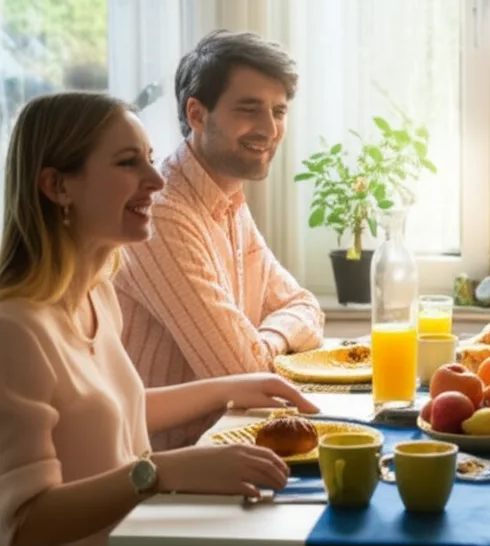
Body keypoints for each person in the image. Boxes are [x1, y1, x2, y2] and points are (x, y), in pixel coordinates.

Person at [0, 92, 320, 546]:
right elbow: (24, 523)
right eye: (128, 163)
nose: (155, 179)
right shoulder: (14, 330)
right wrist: (163, 471)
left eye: (150, 159)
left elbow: (109, 412)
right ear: (57, 186)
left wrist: (231, 387)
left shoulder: (96, 294)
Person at [115, 29, 325, 450]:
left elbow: (305, 306)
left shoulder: (226, 196)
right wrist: (264, 348)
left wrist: (268, 339)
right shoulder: (162, 212)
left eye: (279, 112)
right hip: (158, 469)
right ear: (196, 113)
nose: (269, 129)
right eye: (249, 109)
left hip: (223, 444)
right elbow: (243, 370)